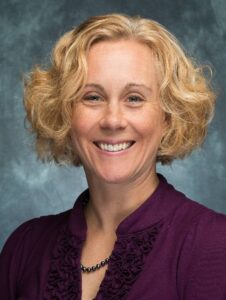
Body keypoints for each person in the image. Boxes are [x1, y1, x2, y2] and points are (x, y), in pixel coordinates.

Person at [0, 13, 225, 300]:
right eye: (92, 97)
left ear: (168, 116)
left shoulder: (214, 245)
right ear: (64, 113)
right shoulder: (24, 247)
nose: (113, 120)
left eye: (134, 98)